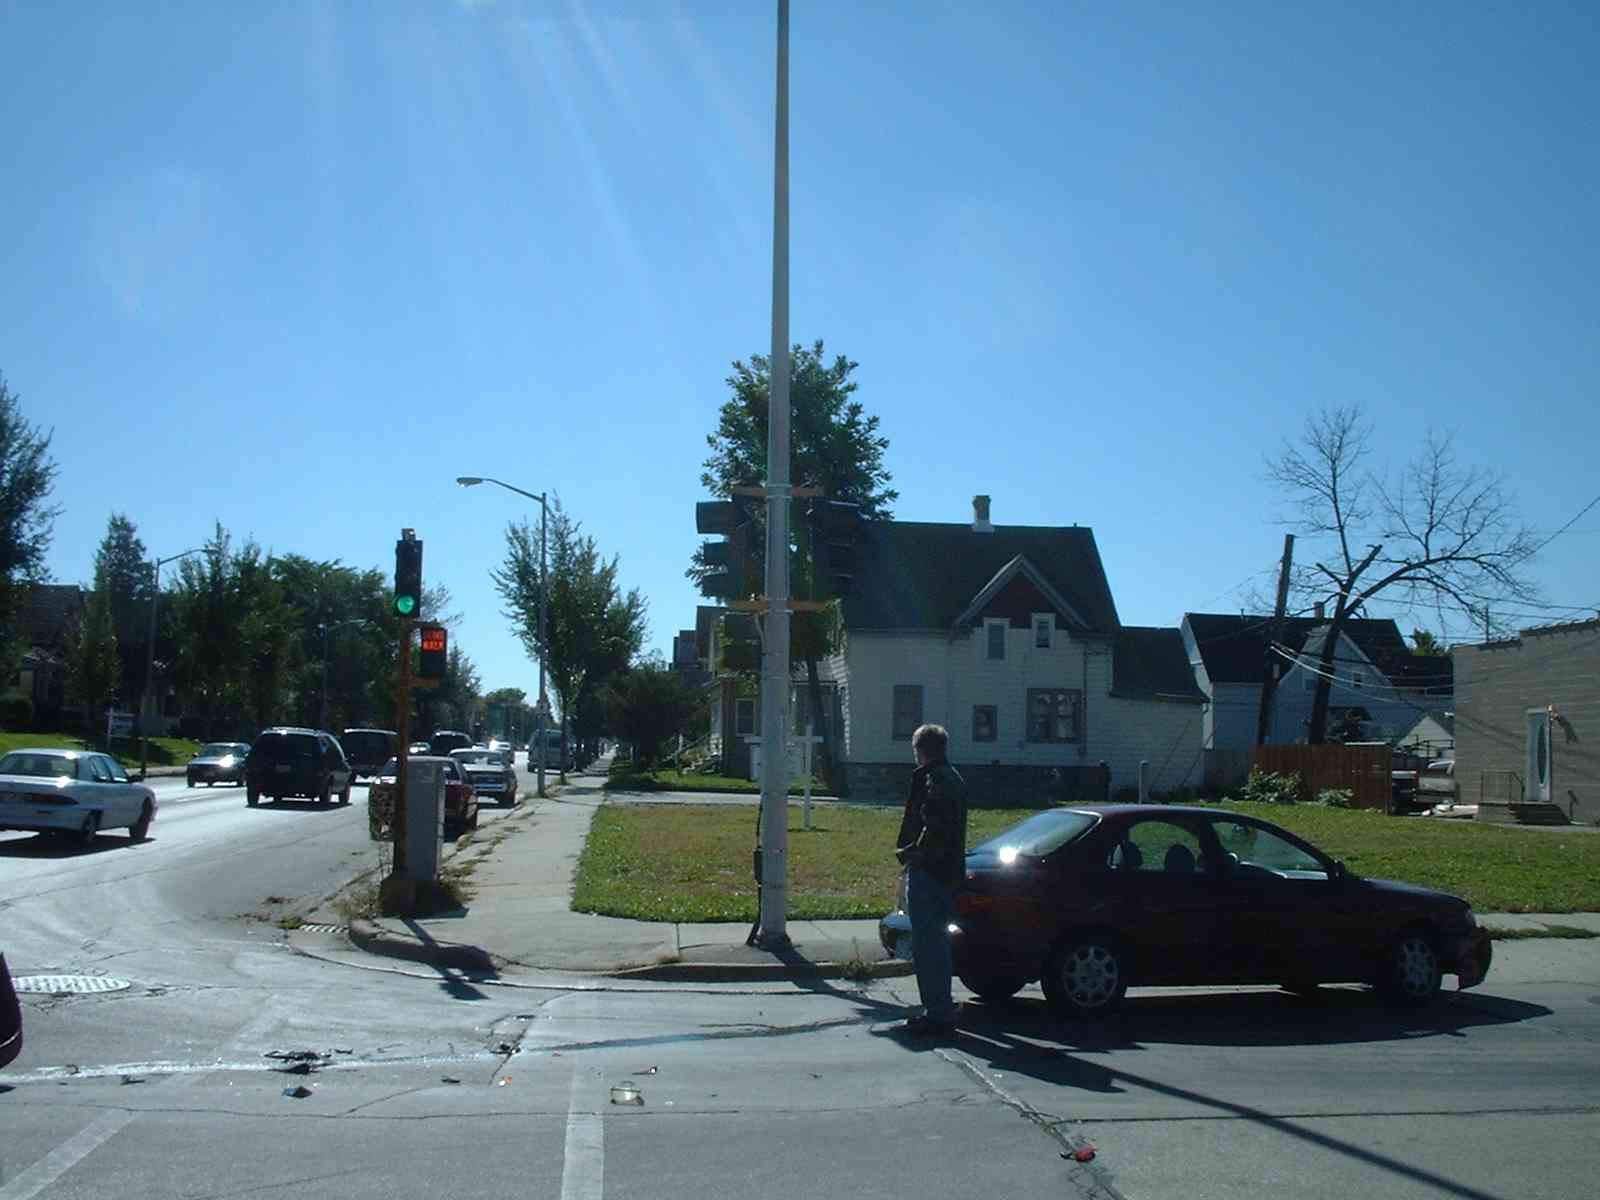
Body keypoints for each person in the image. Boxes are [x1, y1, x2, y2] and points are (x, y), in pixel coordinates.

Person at [894, 723, 968, 1037]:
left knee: (928, 944)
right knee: (939, 942)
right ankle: (942, 1006)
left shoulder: (934, 780)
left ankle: (937, 1011)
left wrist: (913, 853)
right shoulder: (955, 777)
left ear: (920, 749)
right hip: (949, 870)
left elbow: (933, 826)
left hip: (930, 872)